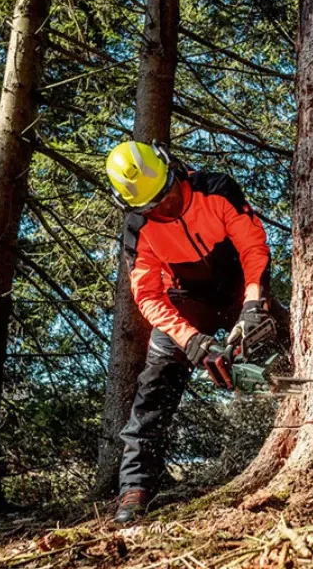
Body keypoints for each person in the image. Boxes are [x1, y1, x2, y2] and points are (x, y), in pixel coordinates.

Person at [104, 140, 276, 522]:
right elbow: (147, 295)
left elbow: (253, 248)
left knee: (278, 334)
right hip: (185, 297)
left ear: (173, 169)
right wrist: (193, 341)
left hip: (236, 285)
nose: (164, 207)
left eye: (166, 195)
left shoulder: (215, 190)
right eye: (152, 206)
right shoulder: (139, 228)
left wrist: (252, 307)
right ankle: (135, 486)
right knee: (156, 382)